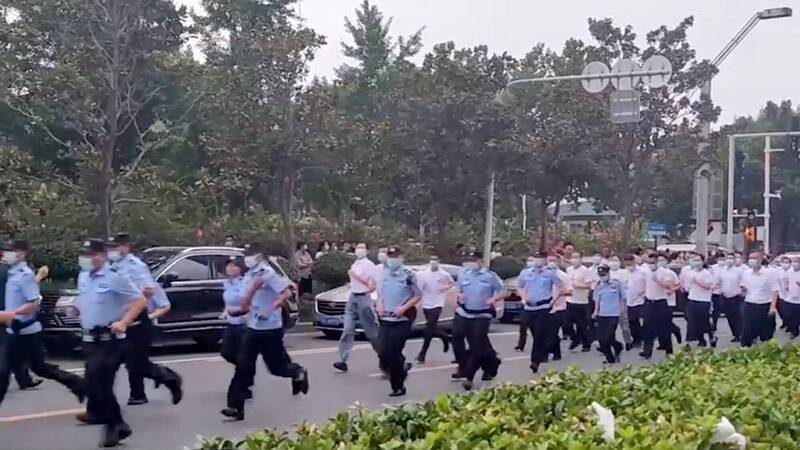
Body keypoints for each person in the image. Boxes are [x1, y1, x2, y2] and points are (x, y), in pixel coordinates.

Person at [221, 243, 309, 421]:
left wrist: (270, 308)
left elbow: (286, 293)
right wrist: (237, 309)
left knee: (276, 368)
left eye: (250, 255)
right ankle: (236, 407)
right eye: (246, 255)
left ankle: (298, 372)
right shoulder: (249, 275)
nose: (247, 259)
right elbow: (246, 300)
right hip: (252, 328)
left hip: (270, 329)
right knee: (243, 367)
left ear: (259, 256)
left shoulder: (267, 274)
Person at [76, 239, 147, 447]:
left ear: (102, 256)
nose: (87, 259)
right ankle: (118, 424)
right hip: (89, 338)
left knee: (100, 383)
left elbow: (139, 300)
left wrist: (124, 321)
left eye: (92, 255)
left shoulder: (115, 277)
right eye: (85, 255)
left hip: (109, 340)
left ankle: (114, 428)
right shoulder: (83, 277)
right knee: (95, 386)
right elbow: (87, 301)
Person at [0, 240, 84, 405]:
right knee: (3, 370)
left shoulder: (25, 274)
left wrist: (13, 314)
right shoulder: (11, 273)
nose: (7, 254)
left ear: (22, 253)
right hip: (13, 331)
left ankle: (77, 383)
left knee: (39, 367)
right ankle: (76, 383)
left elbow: (33, 303)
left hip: (28, 330)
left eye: (11, 251)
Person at [107, 233, 182, 406]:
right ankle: (135, 394)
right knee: (113, 361)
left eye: (117, 246)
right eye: (112, 247)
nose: (114, 250)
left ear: (126, 246)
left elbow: (148, 290)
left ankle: (167, 379)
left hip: (137, 321)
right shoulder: (112, 265)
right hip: (118, 320)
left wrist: (131, 305)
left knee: (137, 363)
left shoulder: (136, 266)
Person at [451, 250, 505, 391]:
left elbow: (502, 291)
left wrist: (493, 299)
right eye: (468, 259)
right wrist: (459, 296)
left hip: (482, 314)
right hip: (463, 311)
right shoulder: (463, 273)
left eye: (473, 260)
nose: (470, 262)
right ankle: (486, 361)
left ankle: (469, 376)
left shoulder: (490, 276)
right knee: (456, 337)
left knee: (477, 345)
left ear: (481, 261)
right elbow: (458, 289)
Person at [375, 247, 421, 396]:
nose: (392, 259)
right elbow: (380, 293)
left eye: (395, 256)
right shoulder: (383, 273)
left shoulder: (408, 275)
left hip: (402, 319)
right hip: (385, 318)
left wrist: (403, 307)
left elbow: (417, 295)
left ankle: (398, 386)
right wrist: (379, 304)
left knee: (393, 353)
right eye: (390, 256)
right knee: (383, 353)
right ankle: (402, 367)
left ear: (401, 257)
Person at [333, 242, 380, 372]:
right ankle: (343, 360)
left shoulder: (370, 265)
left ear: (366, 250)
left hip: (364, 299)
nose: (359, 250)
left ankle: (385, 356)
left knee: (371, 333)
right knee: (347, 330)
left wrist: (356, 276)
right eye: (358, 248)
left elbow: (371, 285)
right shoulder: (355, 263)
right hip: (352, 297)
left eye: (362, 248)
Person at [0, 248, 39, 391]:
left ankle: (23, 378)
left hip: (6, 313)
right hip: (10, 313)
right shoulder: (9, 271)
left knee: (9, 348)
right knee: (10, 347)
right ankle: (24, 379)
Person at [517, 252, 562, 373]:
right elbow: (519, 287)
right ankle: (540, 354)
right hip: (528, 308)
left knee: (539, 335)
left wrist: (554, 299)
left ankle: (535, 361)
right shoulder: (525, 273)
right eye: (536, 258)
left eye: (540, 259)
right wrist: (523, 297)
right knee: (533, 333)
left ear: (545, 260)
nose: (538, 261)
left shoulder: (549, 274)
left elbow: (559, 286)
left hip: (543, 307)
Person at [220, 257, 251, 398]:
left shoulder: (246, 283)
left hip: (244, 324)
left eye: (234, 266)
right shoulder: (226, 284)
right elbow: (228, 301)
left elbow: (251, 300)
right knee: (227, 352)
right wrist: (225, 312)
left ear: (240, 269)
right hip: (232, 323)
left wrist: (247, 313)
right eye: (228, 266)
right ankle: (246, 374)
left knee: (243, 356)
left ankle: (244, 386)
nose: (231, 269)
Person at [415, 255, 454, 364]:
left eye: (435, 261)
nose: (433, 263)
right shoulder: (424, 273)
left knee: (429, 327)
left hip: (438, 303)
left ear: (439, 262)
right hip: (426, 303)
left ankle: (422, 354)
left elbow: (452, 282)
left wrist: (445, 288)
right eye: (431, 260)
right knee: (432, 327)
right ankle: (446, 338)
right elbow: (419, 286)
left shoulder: (444, 274)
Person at [739, 252, 779, 347]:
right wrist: (742, 291)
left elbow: (775, 290)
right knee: (747, 331)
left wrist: (772, 307)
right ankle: (747, 348)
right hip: (749, 304)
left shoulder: (770, 273)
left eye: (754, 258)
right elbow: (744, 288)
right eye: (750, 258)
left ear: (760, 260)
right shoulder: (746, 273)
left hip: (763, 305)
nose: (751, 261)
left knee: (765, 333)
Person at [640, 253, 674, 359]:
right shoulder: (645, 271)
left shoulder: (665, 272)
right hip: (649, 302)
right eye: (649, 263)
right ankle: (647, 351)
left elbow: (669, 286)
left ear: (657, 262)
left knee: (664, 328)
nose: (651, 265)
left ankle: (668, 349)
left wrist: (658, 281)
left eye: (653, 263)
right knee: (647, 328)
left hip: (661, 303)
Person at [593, 264, 626, 364]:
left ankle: (617, 349)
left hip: (614, 314)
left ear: (608, 273)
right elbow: (597, 300)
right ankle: (611, 356)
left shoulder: (616, 284)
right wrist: (595, 311)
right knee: (602, 340)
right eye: (600, 274)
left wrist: (623, 311)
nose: (602, 276)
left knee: (608, 337)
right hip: (602, 314)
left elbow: (623, 298)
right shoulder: (598, 285)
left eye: (604, 274)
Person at [684, 254, 717, 348]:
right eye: (694, 260)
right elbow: (687, 286)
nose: (696, 262)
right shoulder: (690, 272)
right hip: (692, 298)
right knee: (693, 321)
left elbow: (708, 286)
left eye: (698, 260)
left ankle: (711, 336)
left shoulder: (706, 273)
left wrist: (697, 281)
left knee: (703, 321)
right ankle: (700, 339)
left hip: (703, 300)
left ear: (703, 262)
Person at [566, 252, 592, 352]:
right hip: (570, 300)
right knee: (567, 323)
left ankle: (586, 344)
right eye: (572, 257)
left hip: (581, 301)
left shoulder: (585, 270)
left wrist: (578, 286)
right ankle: (575, 338)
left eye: (576, 257)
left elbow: (589, 286)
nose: (574, 259)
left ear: (581, 259)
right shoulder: (569, 269)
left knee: (581, 325)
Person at [549, 255, 570, 361]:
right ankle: (544, 352)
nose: (551, 263)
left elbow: (569, 291)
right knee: (542, 332)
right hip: (543, 307)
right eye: (550, 260)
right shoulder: (543, 274)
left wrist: (558, 296)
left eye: (554, 261)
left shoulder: (563, 276)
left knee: (553, 332)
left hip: (558, 307)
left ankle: (556, 352)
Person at [718, 253, 744, 342]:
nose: (729, 260)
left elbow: (743, 283)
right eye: (728, 258)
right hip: (725, 296)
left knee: (737, 315)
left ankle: (741, 333)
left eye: (731, 258)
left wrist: (741, 292)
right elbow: (718, 282)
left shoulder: (739, 271)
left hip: (736, 296)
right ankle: (735, 334)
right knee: (729, 316)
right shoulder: (722, 271)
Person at [623, 254, 647, 350]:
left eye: (630, 263)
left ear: (634, 262)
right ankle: (636, 338)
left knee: (640, 320)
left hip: (641, 300)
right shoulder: (624, 273)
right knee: (631, 321)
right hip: (628, 301)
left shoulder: (642, 272)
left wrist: (645, 292)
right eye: (627, 264)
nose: (629, 266)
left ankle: (643, 338)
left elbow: (648, 283)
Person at [784, 256, 800, 338]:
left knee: (797, 317)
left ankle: (795, 331)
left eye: (796, 262)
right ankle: (794, 331)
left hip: (799, 300)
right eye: (793, 262)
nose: (794, 264)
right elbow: (786, 281)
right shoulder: (789, 271)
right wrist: (786, 287)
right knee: (789, 316)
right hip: (789, 299)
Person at [777, 256, 792, 331]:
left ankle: (790, 325)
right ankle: (785, 322)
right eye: (784, 262)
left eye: (787, 262)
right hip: (781, 294)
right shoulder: (779, 271)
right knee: (782, 311)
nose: (785, 264)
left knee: (789, 312)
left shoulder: (792, 271)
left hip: (791, 295)